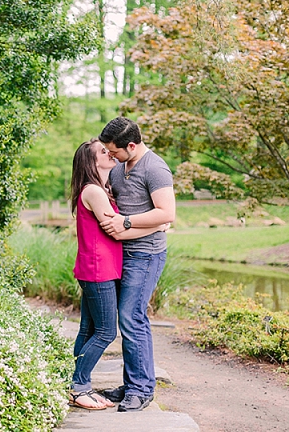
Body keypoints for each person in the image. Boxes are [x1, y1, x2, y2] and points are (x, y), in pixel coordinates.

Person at [68, 138, 167, 410]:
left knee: (88, 329)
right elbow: (116, 229)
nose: (110, 154)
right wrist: (158, 226)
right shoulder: (95, 192)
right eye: (103, 152)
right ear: (92, 162)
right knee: (105, 332)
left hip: (94, 268)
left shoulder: (97, 189)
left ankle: (76, 382)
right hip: (99, 270)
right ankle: (79, 386)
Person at [97, 117, 175, 412]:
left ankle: (142, 390)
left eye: (113, 151)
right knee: (128, 319)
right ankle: (132, 384)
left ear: (131, 145)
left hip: (146, 255)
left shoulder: (155, 168)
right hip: (121, 254)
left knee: (132, 318)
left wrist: (126, 222)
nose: (110, 156)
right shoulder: (118, 170)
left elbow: (167, 213)